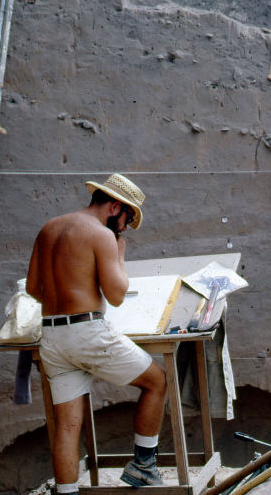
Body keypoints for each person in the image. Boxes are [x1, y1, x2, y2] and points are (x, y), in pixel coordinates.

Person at [26, 173, 167, 493]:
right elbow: (116, 295)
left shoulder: (49, 228)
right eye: (128, 219)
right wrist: (119, 253)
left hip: (52, 336)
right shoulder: (103, 236)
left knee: (67, 424)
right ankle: (143, 467)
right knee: (157, 381)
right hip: (87, 331)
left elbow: (35, 288)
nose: (127, 228)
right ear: (115, 207)